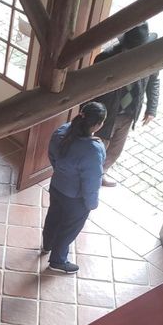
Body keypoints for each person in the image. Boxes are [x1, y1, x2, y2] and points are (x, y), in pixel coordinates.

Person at [41, 102, 107, 274]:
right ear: (98, 124)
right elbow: (92, 181)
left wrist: (60, 172)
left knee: (53, 216)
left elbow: (52, 156)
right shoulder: (93, 149)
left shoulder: (62, 131)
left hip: (57, 186)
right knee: (69, 228)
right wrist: (91, 204)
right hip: (75, 198)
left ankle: (47, 244)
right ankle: (58, 261)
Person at [92, 22, 160, 187]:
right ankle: (90, 179)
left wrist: (151, 109)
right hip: (108, 113)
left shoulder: (150, 57)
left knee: (115, 150)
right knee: (98, 149)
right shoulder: (106, 57)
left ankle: (100, 174)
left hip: (129, 113)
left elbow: (154, 81)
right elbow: (90, 88)